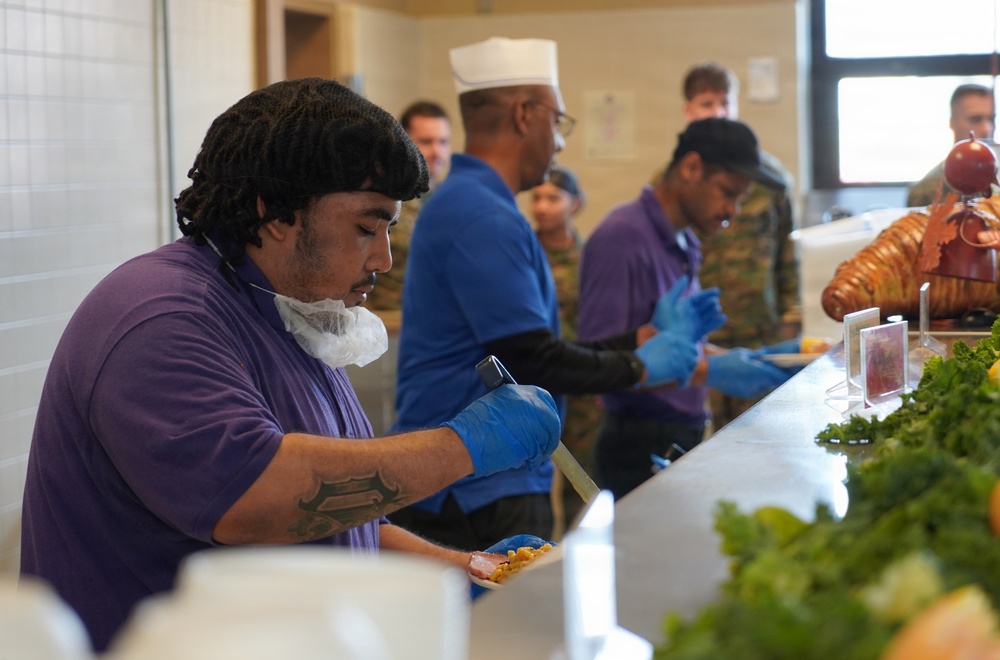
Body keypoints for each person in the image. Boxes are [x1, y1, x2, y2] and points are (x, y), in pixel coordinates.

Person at [19, 77, 564, 652]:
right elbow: (255, 497)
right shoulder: (163, 317)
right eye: (364, 227)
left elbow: (339, 517)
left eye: (389, 229)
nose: (381, 257)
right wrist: (465, 445)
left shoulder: (291, 311)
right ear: (275, 212)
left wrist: (470, 570)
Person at [390, 37, 723, 551]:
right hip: (474, 487)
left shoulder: (476, 204)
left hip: (486, 474)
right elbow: (534, 362)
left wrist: (636, 340)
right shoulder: (481, 216)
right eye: (558, 122)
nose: (561, 143)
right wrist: (639, 366)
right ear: (525, 114)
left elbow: (526, 346)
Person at [578, 117, 797, 500]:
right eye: (727, 193)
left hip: (681, 431)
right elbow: (597, 364)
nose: (731, 211)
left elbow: (673, 345)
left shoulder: (685, 240)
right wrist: (710, 370)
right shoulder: (623, 238)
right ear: (691, 168)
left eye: (740, 200)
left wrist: (744, 359)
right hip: (637, 438)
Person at [679, 62, 800, 431]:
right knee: (707, 436)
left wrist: (790, 317)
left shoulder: (769, 177)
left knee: (766, 429)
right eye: (706, 104)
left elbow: (787, 251)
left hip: (760, 326)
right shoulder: (678, 179)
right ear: (687, 110)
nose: (717, 112)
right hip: (702, 333)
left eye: (724, 102)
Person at [529, 165, 601, 535]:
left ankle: (579, 550)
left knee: (583, 480)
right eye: (537, 197)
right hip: (536, 380)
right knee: (531, 480)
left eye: (553, 198)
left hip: (581, 382)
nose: (542, 206)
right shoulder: (524, 253)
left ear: (575, 204)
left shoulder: (590, 258)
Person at [366, 100, 451, 312]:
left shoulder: (455, 201)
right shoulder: (383, 199)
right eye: (426, 141)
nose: (436, 151)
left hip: (437, 320)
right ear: (404, 143)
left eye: (443, 142)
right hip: (388, 320)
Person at [907, 83, 996, 207]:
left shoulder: (995, 184)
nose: (987, 129)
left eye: (991, 119)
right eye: (975, 119)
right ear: (952, 122)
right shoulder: (926, 192)